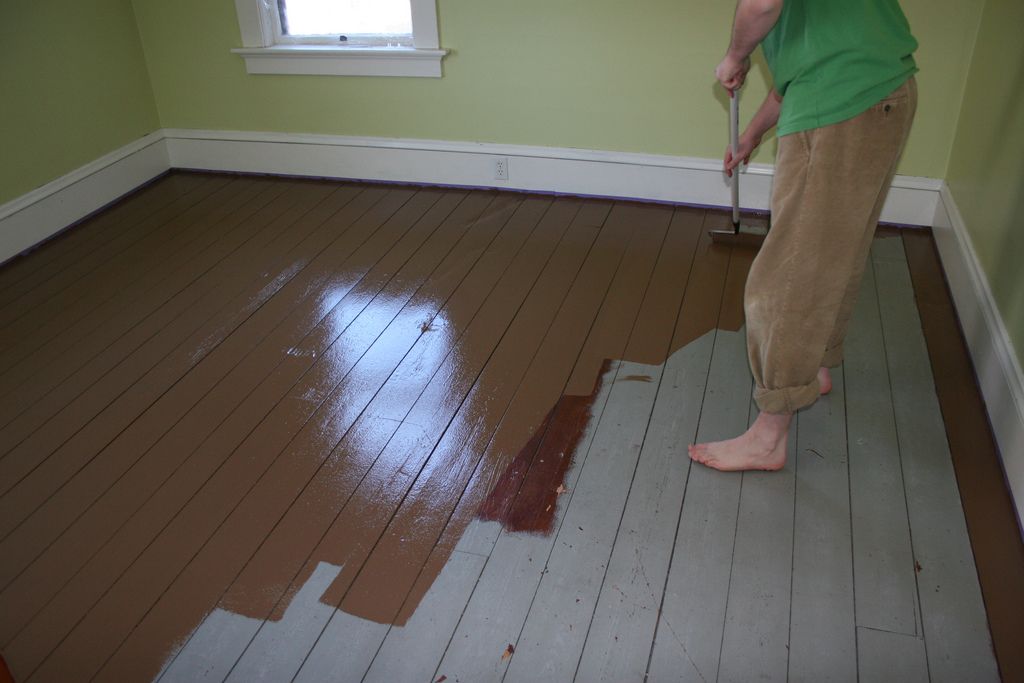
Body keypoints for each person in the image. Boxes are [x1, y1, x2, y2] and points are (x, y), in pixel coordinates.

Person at [689, 0, 918, 471]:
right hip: (882, 91)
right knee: (839, 248)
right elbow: (804, 59)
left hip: (838, 105)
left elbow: (762, 4)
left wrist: (735, 56)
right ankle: (816, 364)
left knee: (790, 272)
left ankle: (770, 435)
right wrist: (751, 134)